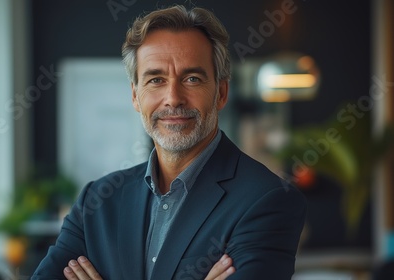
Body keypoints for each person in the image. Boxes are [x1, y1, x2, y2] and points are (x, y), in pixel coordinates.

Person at [31, 4, 306, 280]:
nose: (173, 98)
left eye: (192, 78)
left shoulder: (268, 200)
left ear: (221, 93)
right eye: (156, 80)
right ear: (136, 96)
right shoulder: (97, 201)